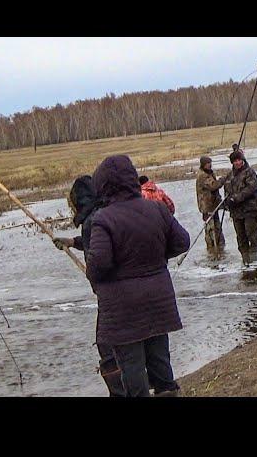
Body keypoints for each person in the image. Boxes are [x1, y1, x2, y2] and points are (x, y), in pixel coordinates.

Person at [86, 155, 190, 397]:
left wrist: (96, 273)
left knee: (132, 366)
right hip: (158, 300)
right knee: (160, 361)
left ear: (104, 185)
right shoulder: (157, 209)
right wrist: (157, 258)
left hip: (124, 309)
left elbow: (99, 264)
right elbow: (182, 242)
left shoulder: (104, 218)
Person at [52, 176, 125, 397]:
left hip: (110, 293)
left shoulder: (94, 219)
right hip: (117, 291)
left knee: (106, 344)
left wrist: (94, 273)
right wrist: (72, 242)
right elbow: (96, 243)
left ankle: (120, 393)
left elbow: (101, 255)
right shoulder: (102, 213)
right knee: (120, 343)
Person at [224, 150, 257, 265]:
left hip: (250, 210)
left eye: (239, 160)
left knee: (252, 237)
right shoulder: (229, 175)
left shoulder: (249, 172)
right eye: (235, 161)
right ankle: (246, 263)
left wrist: (236, 198)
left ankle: (256, 265)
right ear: (232, 162)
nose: (238, 162)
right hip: (236, 213)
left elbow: (251, 189)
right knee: (241, 239)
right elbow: (226, 190)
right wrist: (227, 202)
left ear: (243, 160)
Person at [195, 156, 226, 253]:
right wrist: (222, 180)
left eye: (210, 163)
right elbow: (213, 186)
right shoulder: (202, 175)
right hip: (206, 207)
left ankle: (219, 247)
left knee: (217, 226)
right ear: (203, 164)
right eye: (208, 163)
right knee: (210, 229)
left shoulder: (209, 173)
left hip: (213, 205)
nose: (210, 165)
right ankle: (212, 248)